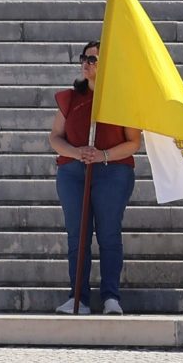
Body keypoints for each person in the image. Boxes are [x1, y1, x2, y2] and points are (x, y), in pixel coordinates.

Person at [47, 38, 137, 314]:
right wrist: (77, 153)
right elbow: (55, 137)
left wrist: (102, 155)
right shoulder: (71, 98)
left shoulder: (122, 99)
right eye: (83, 59)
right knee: (77, 236)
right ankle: (79, 298)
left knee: (109, 233)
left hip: (113, 172)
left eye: (92, 59)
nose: (85, 64)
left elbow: (134, 142)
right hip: (73, 173)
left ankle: (111, 297)